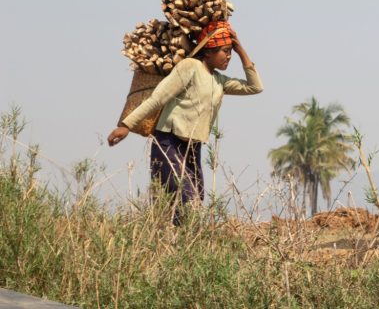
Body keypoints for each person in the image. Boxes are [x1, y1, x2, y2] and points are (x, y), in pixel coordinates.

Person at [107, 21, 263, 224]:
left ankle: (179, 243)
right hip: (168, 142)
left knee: (195, 198)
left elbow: (255, 87)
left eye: (230, 52)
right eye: (225, 51)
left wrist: (240, 48)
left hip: (192, 146)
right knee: (185, 195)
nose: (228, 57)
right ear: (207, 52)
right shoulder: (190, 67)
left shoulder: (219, 81)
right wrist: (126, 125)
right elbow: (158, 98)